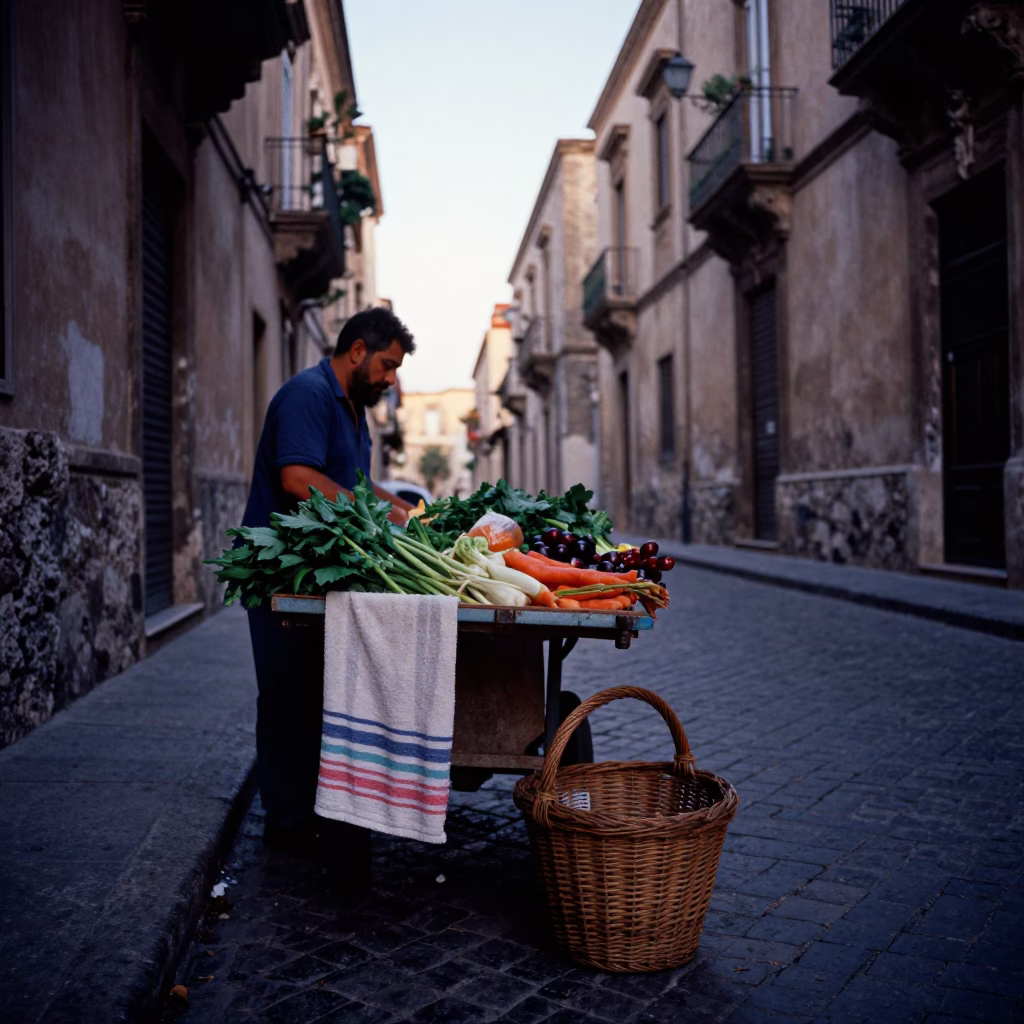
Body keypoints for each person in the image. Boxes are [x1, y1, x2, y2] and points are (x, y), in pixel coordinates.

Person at [240, 307, 417, 869]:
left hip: (318, 578)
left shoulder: (352, 411)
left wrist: (412, 516)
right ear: (358, 351)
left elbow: (356, 487)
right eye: (388, 365)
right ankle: (287, 826)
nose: (391, 380)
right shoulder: (309, 396)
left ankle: (318, 814)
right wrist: (384, 520)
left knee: (318, 696)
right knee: (289, 697)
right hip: (283, 577)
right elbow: (298, 478)